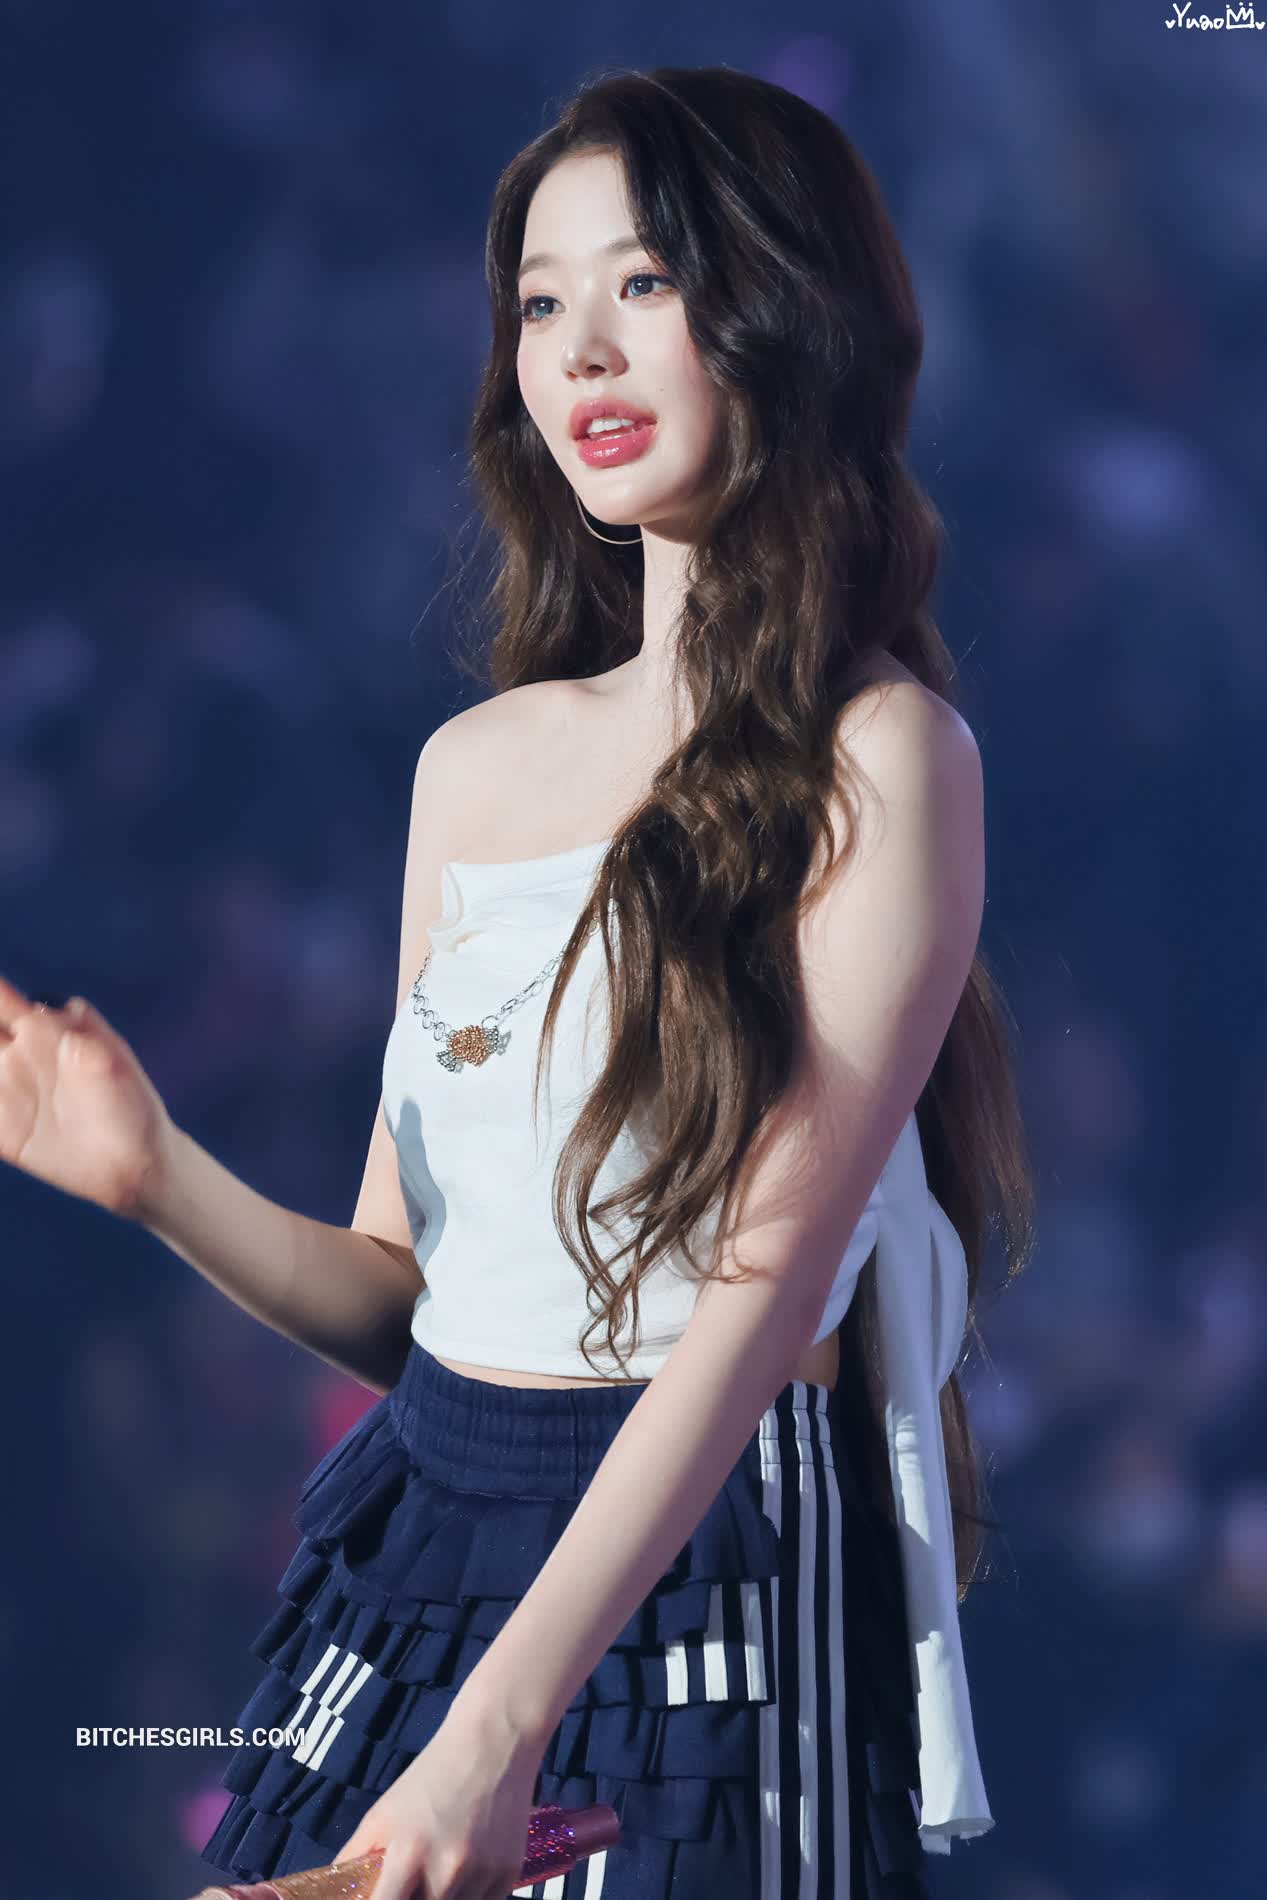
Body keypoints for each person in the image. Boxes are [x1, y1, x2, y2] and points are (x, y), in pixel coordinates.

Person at [0, 64, 1034, 1900]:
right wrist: (153, 1176)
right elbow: (412, 1300)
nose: (583, 353)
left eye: (645, 283)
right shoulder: (470, 771)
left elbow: (755, 1303)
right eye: (542, 304)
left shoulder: (885, 760)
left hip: (701, 1587)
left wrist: (501, 1731)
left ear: (784, 311)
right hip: (416, 1561)